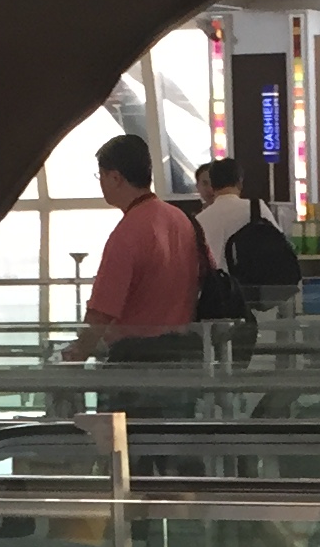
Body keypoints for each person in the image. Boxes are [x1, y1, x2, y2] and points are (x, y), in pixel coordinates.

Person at [61, 132, 199, 369]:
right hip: (181, 352)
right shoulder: (181, 220)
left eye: (101, 175)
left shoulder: (128, 232)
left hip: (136, 356)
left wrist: (79, 351)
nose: (101, 183)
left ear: (115, 177)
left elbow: (102, 310)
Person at [191, 159, 251, 273]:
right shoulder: (256, 208)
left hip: (220, 281)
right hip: (252, 280)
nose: (208, 189)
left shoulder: (199, 220)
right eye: (204, 183)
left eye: (210, 183)